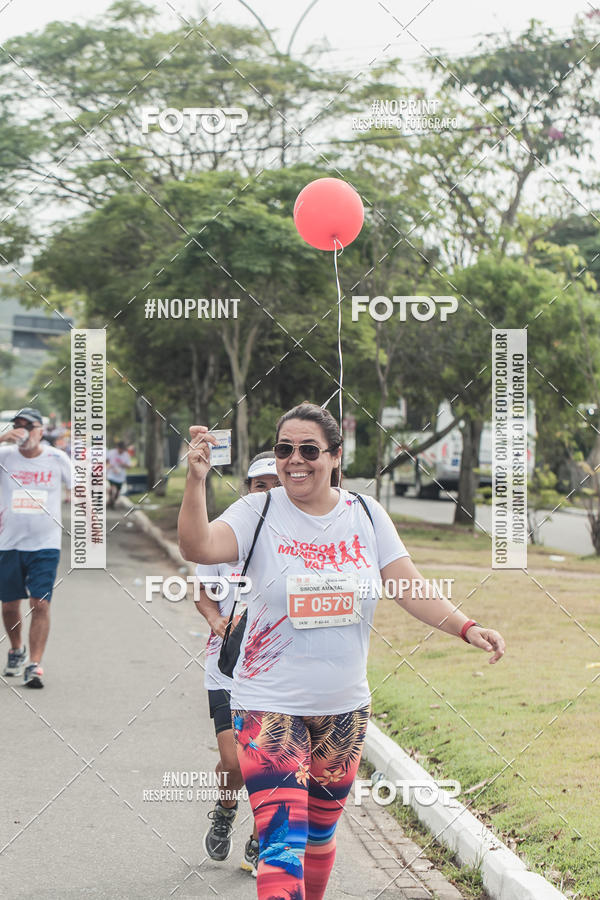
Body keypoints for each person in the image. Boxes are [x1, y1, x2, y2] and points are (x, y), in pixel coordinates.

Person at [178, 402, 505, 900]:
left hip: (344, 710)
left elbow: (409, 587)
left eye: (309, 449)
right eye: (284, 449)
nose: (295, 460)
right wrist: (195, 481)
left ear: (334, 456)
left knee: (319, 835)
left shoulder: (366, 515)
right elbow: (198, 546)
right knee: (280, 843)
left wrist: (466, 627)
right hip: (268, 704)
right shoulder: (257, 510)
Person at [194, 452, 279, 876]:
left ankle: (260, 835)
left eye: (276, 484)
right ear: (248, 490)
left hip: (279, 670)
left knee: (267, 759)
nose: (269, 493)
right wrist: (216, 621)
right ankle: (227, 807)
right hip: (226, 666)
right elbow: (203, 593)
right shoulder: (228, 535)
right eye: (260, 485)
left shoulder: (299, 539)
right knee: (235, 763)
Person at [0, 408, 72, 688]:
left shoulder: (56, 458)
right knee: (9, 606)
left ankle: (34, 664)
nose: (23, 431)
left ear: (41, 431)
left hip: (45, 545)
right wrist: (3, 438)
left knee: (40, 603)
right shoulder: (5, 456)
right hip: (9, 543)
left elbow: (80, 489)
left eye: (29, 427)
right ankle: (16, 649)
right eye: (18, 426)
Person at [106, 439, 131, 509]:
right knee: (112, 487)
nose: (121, 451)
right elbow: (106, 461)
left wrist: (123, 464)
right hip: (111, 474)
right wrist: (109, 466)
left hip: (120, 475)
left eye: (122, 449)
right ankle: (110, 497)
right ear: (117, 447)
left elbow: (129, 466)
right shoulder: (111, 452)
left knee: (117, 492)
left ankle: (112, 501)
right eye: (120, 449)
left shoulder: (126, 455)